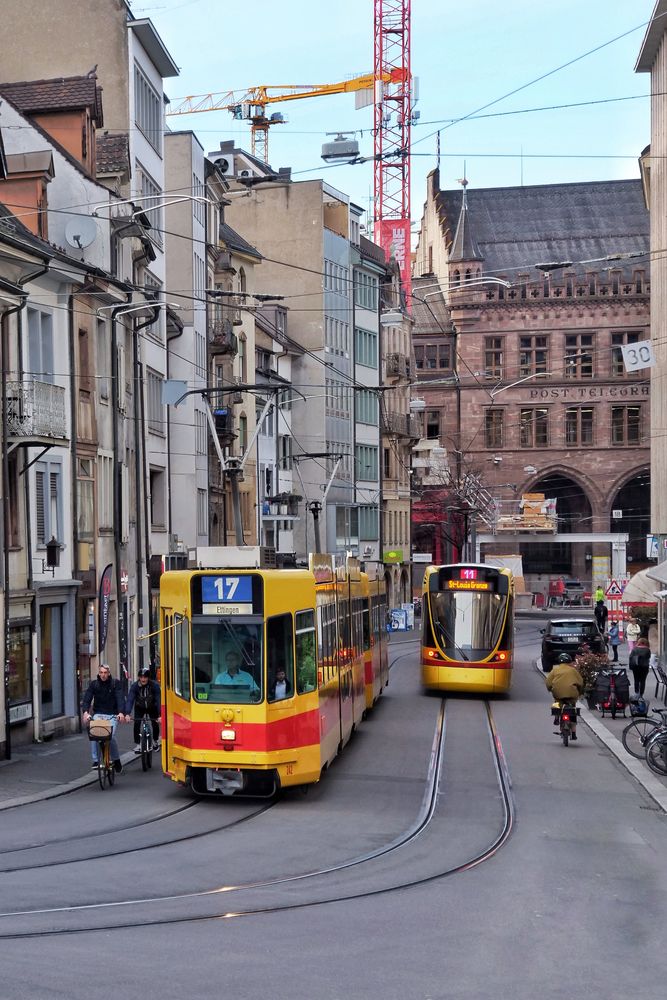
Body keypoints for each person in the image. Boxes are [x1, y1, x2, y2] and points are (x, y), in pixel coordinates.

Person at [82, 663, 125, 772]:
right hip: (98, 714)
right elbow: (87, 698)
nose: (103, 675)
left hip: (112, 715)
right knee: (94, 734)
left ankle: (116, 760)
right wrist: (86, 712)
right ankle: (96, 760)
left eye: (105, 673)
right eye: (101, 672)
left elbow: (120, 698)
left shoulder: (116, 684)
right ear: (99, 673)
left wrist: (121, 712)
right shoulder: (94, 684)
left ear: (109, 673)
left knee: (111, 737)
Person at [545, 653, 584, 741]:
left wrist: (550, 689)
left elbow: (548, 682)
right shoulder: (573, 670)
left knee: (557, 702)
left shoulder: (555, 670)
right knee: (573, 711)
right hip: (572, 694)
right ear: (569, 661)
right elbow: (581, 683)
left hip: (558, 694)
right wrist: (580, 692)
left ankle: (557, 716)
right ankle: (573, 732)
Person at [125, 666, 161, 753]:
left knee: (155, 723)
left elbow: (159, 699)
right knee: (137, 723)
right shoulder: (135, 686)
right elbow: (130, 699)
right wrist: (127, 713)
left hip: (152, 707)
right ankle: (138, 744)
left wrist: (160, 715)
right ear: (139, 678)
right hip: (139, 707)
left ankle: (155, 741)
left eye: (145, 677)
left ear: (148, 677)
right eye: (141, 677)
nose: (143, 679)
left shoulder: (154, 685)